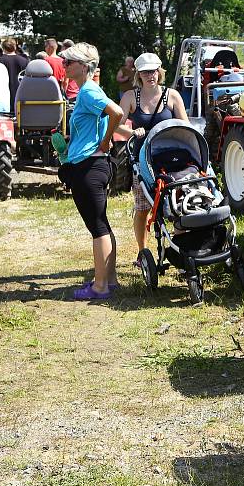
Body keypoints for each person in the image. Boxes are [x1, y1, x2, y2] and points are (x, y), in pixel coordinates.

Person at [57, 42, 124, 300]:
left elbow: (117, 113)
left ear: (83, 67)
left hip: (90, 166)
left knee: (98, 228)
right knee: (102, 225)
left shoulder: (87, 92)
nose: (64, 66)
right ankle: (110, 280)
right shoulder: (90, 90)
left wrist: (106, 141)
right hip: (92, 164)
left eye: (68, 62)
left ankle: (100, 286)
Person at [115, 52, 187, 260]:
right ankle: (142, 251)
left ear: (160, 72)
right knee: (142, 208)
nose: (150, 75)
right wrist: (131, 133)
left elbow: (185, 126)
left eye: (153, 71)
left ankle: (178, 248)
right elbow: (115, 125)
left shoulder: (172, 96)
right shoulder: (130, 97)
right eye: (146, 72)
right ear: (139, 74)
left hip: (171, 159)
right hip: (143, 160)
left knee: (177, 204)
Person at [0, 38, 28, 114]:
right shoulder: (24, 60)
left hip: (4, 92)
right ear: (15, 47)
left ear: (3, 48)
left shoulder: (0, 61)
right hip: (21, 91)